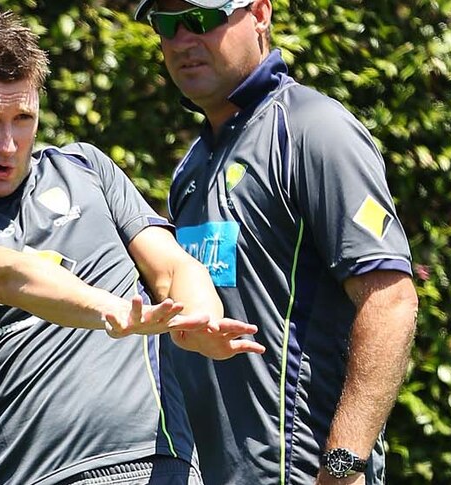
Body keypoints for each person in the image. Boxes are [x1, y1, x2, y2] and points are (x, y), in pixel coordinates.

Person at [0, 8, 265, 485]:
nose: (9, 143)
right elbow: (7, 275)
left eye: (23, 119)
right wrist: (112, 311)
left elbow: (173, 266)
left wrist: (199, 319)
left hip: (163, 467)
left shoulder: (85, 169)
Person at [133, 1, 420, 484]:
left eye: (203, 19)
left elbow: (390, 299)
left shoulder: (314, 129)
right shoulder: (191, 169)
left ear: (260, 13)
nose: (183, 40)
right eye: (167, 24)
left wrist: (343, 465)